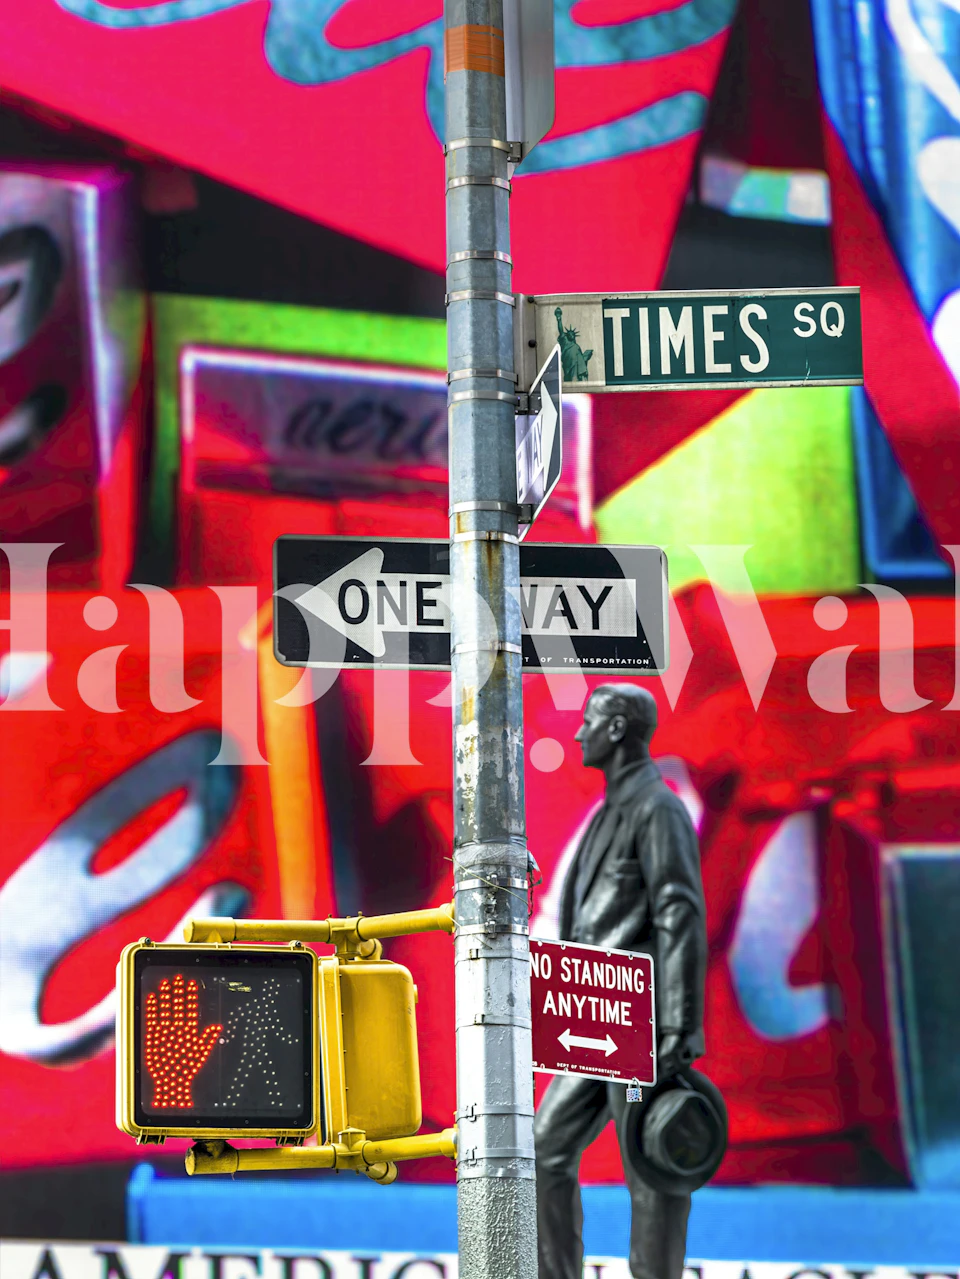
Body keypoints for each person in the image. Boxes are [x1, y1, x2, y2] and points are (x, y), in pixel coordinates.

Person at [535, 684, 708, 1279]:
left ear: (615, 730)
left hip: (641, 1034)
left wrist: (679, 1026)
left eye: (589, 722)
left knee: (649, 1166)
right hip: (597, 1022)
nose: (578, 733)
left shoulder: (657, 807)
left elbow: (677, 910)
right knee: (544, 1148)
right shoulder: (611, 810)